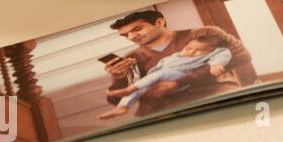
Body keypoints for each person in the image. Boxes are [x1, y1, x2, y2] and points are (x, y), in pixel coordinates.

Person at [103, 10, 252, 116]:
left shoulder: (204, 35)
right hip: (163, 111)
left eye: (136, 29)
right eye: (125, 35)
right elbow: (115, 101)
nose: (131, 37)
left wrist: (179, 82)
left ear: (159, 22)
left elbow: (241, 56)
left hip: (213, 98)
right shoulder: (132, 58)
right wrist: (119, 78)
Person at [98, 34, 232, 119]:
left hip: (180, 76)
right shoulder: (174, 56)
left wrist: (217, 64)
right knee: (142, 86)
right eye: (188, 48)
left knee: (156, 75)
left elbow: (223, 53)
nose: (191, 52)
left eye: (197, 50)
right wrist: (121, 77)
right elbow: (112, 99)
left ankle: (131, 89)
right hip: (158, 79)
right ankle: (123, 107)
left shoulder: (213, 49)